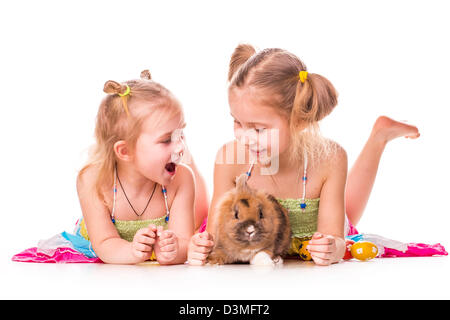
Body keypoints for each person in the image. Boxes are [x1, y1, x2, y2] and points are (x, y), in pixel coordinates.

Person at [188, 44, 420, 266]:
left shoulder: (330, 158)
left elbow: (336, 240)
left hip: (321, 226)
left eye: (258, 129)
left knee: (348, 216)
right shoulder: (229, 159)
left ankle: (379, 137)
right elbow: (214, 236)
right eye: (237, 122)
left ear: (298, 121)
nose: (245, 137)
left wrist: (331, 247)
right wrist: (202, 246)